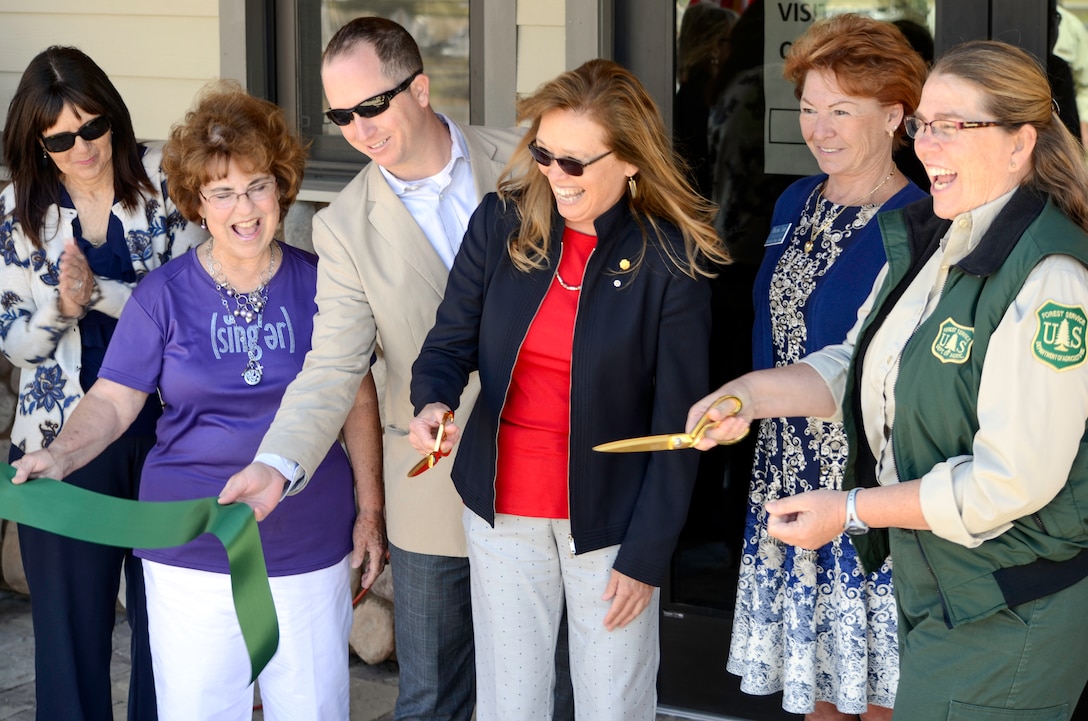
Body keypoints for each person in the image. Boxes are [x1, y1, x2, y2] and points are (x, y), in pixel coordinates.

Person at [689, 40, 1088, 719]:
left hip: (1010, 606)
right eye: (924, 124)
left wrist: (847, 511)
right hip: (943, 590)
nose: (926, 144)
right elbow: (856, 361)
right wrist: (748, 396)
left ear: (1021, 145)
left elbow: (1007, 484)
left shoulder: (1051, 279)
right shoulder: (939, 239)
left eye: (951, 126)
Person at [12, 85, 386, 721]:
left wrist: (370, 514)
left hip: (308, 541)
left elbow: (355, 397)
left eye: (258, 186)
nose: (244, 208)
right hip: (189, 546)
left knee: (312, 708)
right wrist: (62, 455)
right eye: (222, 192)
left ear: (282, 188)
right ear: (197, 203)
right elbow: (114, 399)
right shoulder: (164, 294)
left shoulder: (325, 283)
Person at [217, 16, 523, 721]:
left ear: (419, 87)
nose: (357, 129)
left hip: (545, 464)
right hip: (430, 482)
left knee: (543, 684)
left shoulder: (524, 161)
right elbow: (332, 366)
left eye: (371, 106)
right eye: (339, 115)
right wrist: (278, 462)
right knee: (432, 696)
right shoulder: (343, 225)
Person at [408, 58, 730, 721]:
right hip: (504, 511)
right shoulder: (503, 223)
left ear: (632, 160)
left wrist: (646, 557)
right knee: (511, 704)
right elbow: (448, 343)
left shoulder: (670, 260)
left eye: (576, 163)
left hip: (612, 521)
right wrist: (432, 400)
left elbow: (682, 427)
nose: (555, 174)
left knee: (613, 704)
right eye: (545, 154)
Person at [727, 15, 927, 720]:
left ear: (896, 115)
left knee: (875, 693)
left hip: (866, 486)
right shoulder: (795, 201)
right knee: (813, 689)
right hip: (784, 467)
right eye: (810, 109)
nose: (820, 128)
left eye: (842, 110)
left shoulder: (921, 221)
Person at [0, 45, 203, 721]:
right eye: (60, 138)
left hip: (167, 431)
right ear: (37, 140)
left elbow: (191, 302)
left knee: (170, 626)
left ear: (112, 114)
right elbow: (14, 339)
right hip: (60, 439)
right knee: (68, 634)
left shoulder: (165, 179)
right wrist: (61, 305)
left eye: (92, 128)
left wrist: (98, 293)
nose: (81, 147)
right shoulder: (13, 208)